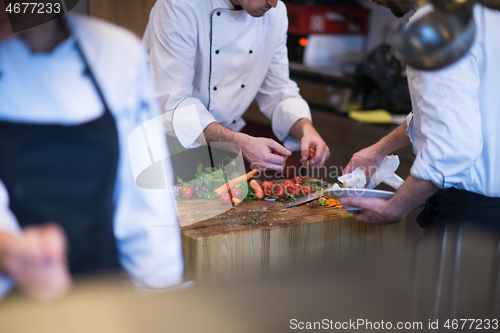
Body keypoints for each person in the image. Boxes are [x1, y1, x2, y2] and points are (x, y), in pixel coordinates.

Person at [0, 5, 183, 300]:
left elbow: (147, 202)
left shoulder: (116, 53)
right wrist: (9, 250)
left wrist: (158, 299)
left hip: (105, 296)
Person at [342, 2, 500, 230]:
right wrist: (379, 149)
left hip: (465, 210)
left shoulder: (432, 26)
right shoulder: (485, 13)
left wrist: (394, 208)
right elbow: (454, 115)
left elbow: (453, 143)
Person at [143, 0, 330, 172]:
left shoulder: (276, 14)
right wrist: (238, 142)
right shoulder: (180, 6)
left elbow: (278, 90)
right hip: (163, 153)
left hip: (220, 154)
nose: (273, 3)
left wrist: (306, 129)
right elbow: (172, 103)